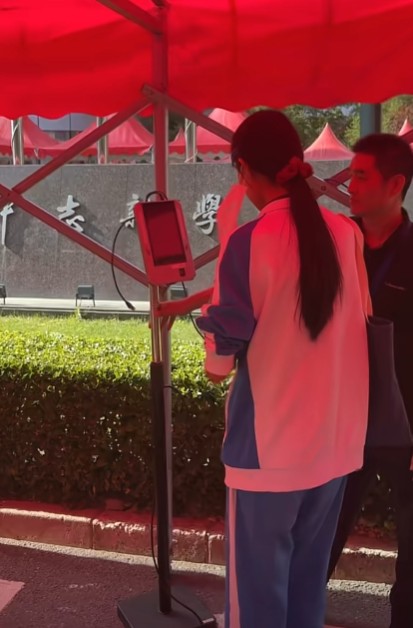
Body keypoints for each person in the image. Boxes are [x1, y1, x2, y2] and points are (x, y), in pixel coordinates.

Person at [196, 110, 369, 628]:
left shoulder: (247, 241)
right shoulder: (346, 233)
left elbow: (218, 366)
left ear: (244, 169)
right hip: (335, 449)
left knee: (257, 608)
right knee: (304, 596)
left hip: (268, 455)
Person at [328, 133, 413, 628]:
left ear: (395, 184)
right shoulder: (336, 243)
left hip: (406, 427)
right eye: (350, 174)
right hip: (344, 420)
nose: (351, 186)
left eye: (361, 176)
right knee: (318, 538)